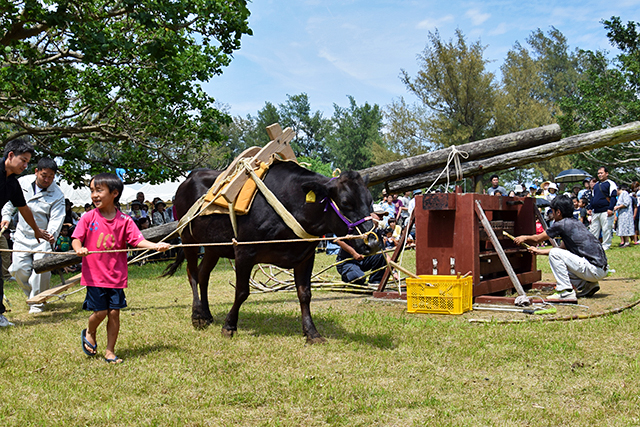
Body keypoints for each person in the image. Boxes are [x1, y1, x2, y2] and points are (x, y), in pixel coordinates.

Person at [72, 173, 169, 363]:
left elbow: (137, 240)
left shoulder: (124, 220)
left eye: (99, 191)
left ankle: (110, 351)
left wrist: (155, 246)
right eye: (92, 191)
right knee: (100, 313)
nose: (94, 195)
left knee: (114, 313)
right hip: (94, 275)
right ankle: (90, 331)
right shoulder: (88, 217)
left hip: (116, 276)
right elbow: (76, 238)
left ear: (114, 193)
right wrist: (79, 249)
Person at [1, 157, 66, 314]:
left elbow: (57, 218)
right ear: (36, 171)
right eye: (44, 175)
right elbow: (9, 202)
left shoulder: (57, 194)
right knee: (17, 269)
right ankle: (35, 295)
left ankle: (37, 304)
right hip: (22, 235)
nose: (47, 179)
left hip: (43, 237)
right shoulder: (22, 182)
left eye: (51, 176)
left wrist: (50, 235)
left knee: (40, 268)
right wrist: (6, 217)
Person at [514, 195, 607, 300]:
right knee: (556, 253)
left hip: (593, 268)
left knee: (554, 253)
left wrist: (524, 237)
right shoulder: (574, 222)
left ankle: (565, 291)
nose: (552, 214)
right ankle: (589, 285)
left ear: (558, 212)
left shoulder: (561, 224)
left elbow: (538, 239)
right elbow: (562, 249)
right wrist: (539, 251)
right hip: (600, 269)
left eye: (552, 211)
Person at [0, 138, 50, 326]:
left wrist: (37, 231)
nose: (26, 165)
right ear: (11, 155)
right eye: (24, 160)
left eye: (28, 161)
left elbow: (23, 208)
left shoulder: (13, 184)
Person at [588, 166, 617, 250]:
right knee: (594, 230)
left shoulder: (610, 183)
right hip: (596, 211)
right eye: (598, 173)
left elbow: (613, 197)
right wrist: (590, 207)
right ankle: (593, 246)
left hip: (605, 210)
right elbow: (593, 197)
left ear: (606, 173)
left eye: (601, 173)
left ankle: (606, 245)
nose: (600, 175)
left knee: (606, 229)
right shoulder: (596, 185)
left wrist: (610, 208)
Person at [614, 183, 634, 247]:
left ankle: (627, 242)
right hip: (621, 214)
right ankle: (625, 242)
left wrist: (618, 207)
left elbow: (626, 203)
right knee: (622, 228)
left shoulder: (624, 193)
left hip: (626, 214)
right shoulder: (620, 195)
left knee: (625, 227)